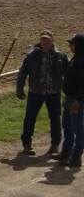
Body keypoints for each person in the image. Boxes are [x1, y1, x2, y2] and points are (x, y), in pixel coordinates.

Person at [16, 31, 67, 155]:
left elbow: (68, 73)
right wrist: (19, 88)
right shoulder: (31, 56)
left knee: (55, 119)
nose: (45, 43)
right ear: (40, 42)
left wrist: (69, 90)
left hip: (53, 92)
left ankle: (55, 145)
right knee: (30, 118)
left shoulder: (60, 56)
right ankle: (27, 145)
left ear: (52, 41)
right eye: (43, 41)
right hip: (35, 92)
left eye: (47, 41)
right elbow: (23, 73)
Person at [60, 34, 84, 168]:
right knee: (67, 126)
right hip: (69, 98)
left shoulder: (81, 62)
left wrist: (78, 100)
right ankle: (66, 152)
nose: (70, 46)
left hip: (76, 100)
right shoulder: (76, 59)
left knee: (78, 129)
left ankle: (76, 157)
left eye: (72, 44)